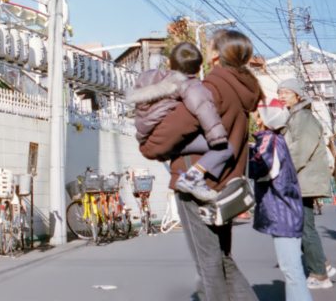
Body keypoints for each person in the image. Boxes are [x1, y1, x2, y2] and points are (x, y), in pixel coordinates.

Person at [140, 29, 261, 301]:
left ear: (217, 53)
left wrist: (147, 146)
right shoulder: (242, 88)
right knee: (222, 259)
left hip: (196, 183)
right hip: (226, 184)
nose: (206, 48)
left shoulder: (212, 88)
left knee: (208, 266)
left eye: (209, 44)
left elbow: (171, 130)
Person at [129, 42, 231, 202]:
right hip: (165, 140)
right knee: (226, 148)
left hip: (145, 138)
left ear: (169, 63)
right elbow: (204, 109)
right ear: (198, 69)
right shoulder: (190, 85)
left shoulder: (149, 79)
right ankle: (192, 179)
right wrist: (217, 138)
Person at [250, 98, 313, 301]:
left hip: (283, 212)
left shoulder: (268, 139)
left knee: (291, 270)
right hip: (288, 209)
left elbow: (263, 170)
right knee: (292, 270)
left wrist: (244, 158)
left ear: (262, 118)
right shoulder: (277, 139)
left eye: (256, 112)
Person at [276, 78, 335, 290]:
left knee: (304, 227)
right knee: (302, 225)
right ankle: (323, 265)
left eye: (286, 92)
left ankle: (320, 275)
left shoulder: (304, 116)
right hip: (302, 178)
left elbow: (300, 150)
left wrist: (283, 170)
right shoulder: (296, 116)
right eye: (280, 92)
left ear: (298, 94)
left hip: (303, 179)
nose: (282, 96)